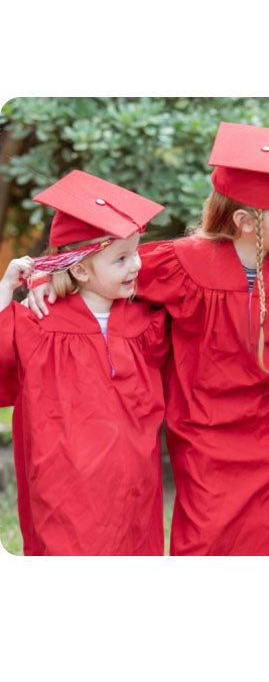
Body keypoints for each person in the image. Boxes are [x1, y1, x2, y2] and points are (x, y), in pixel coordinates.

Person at [135, 121, 269, 555]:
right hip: (205, 440)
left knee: (266, 544)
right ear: (244, 221)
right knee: (206, 542)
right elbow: (111, 273)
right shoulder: (182, 264)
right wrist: (56, 281)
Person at [0, 171, 169, 555]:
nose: (136, 266)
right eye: (122, 258)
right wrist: (7, 288)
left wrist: (48, 273)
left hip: (134, 490)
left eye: (137, 252)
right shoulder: (39, 325)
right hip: (65, 490)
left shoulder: (145, 321)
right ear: (79, 269)